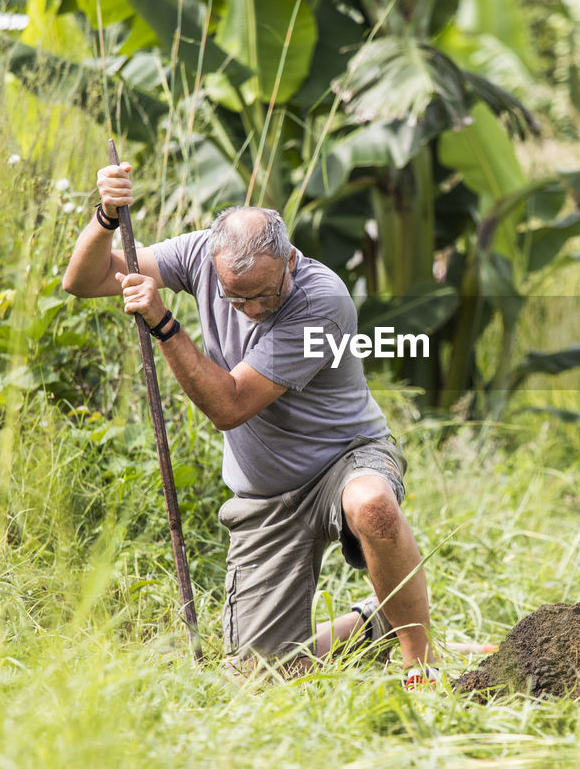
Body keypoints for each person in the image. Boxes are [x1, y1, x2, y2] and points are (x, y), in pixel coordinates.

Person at [61, 161, 438, 688]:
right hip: (265, 495)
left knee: (371, 505)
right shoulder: (200, 254)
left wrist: (163, 322)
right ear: (215, 266)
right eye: (235, 297)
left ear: (289, 262)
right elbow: (83, 280)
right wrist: (105, 216)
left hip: (344, 457)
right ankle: (373, 626)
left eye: (264, 294)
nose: (251, 308)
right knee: (264, 679)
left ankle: (421, 664)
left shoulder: (320, 302)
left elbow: (230, 406)